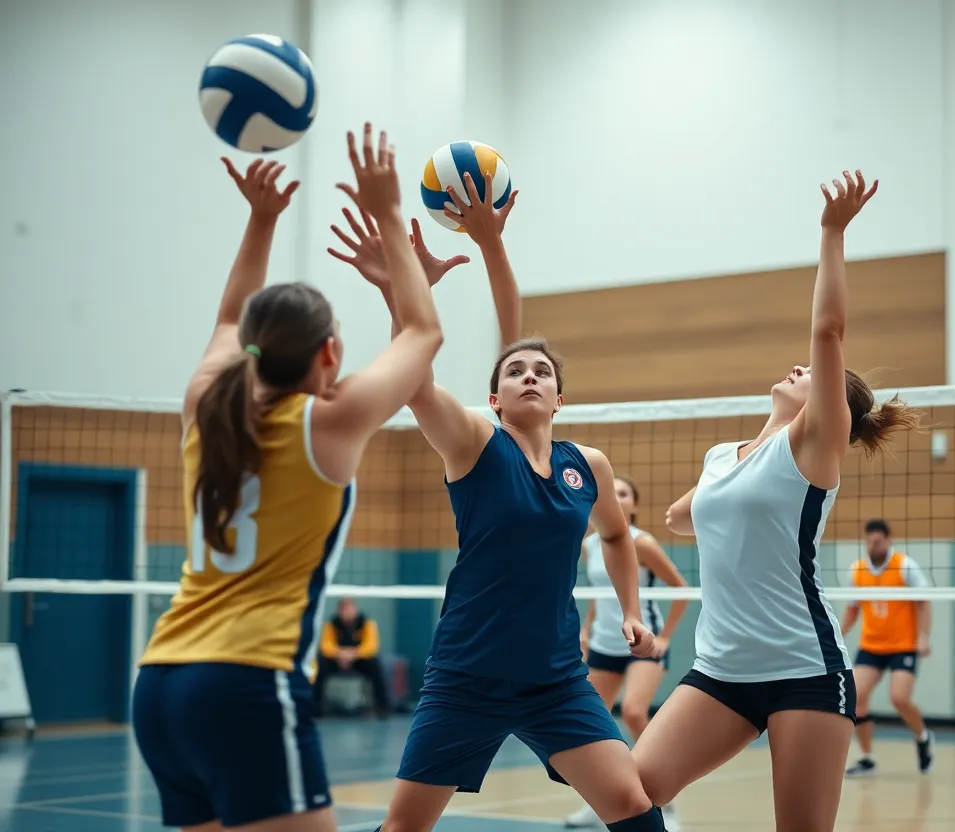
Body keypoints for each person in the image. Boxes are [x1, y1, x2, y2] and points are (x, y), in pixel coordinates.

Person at [130, 123, 445, 832]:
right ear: (331, 352)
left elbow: (225, 317)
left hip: (160, 682)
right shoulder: (326, 423)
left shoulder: (203, 404)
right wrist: (390, 213)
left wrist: (261, 219)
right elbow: (424, 335)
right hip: (247, 682)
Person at [330, 172, 666, 832]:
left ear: (559, 398)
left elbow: (620, 537)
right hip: (468, 675)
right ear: (495, 399)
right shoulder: (475, 445)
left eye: (543, 371)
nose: (529, 374)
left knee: (631, 805)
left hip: (556, 679)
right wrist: (408, 287)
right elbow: (417, 380)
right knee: (404, 828)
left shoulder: (586, 466)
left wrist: (631, 609)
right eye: (515, 371)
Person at [631, 171, 924, 832]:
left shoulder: (814, 451)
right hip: (720, 671)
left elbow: (827, 331)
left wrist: (831, 231)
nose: (800, 368)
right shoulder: (720, 458)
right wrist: (681, 518)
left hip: (803, 668)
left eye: (813, 377)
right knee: (634, 790)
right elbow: (682, 519)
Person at [566, 474, 690, 830]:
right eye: (611, 492)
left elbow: (681, 589)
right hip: (604, 645)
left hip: (643, 643)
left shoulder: (643, 543)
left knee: (635, 712)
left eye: (623, 493)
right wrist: (587, 628)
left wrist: (665, 636)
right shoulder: (589, 544)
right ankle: (599, 802)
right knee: (589, 725)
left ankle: (665, 804)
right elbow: (601, 592)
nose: (616, 498)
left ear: (634, 505)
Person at [840, 518, 934, 776]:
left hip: (903, 645)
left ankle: (923, 736)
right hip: (871, 645)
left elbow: (924, 602)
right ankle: (867, 758)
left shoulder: (904, 566)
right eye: (868, 541)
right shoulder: (857, 571)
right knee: (856, 698)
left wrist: (923, 637)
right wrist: (837, 634)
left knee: (899, 699)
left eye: (877, 541)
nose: (872, 545)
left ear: (888, 541)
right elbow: (852, 609)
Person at [315, 598, 392, 717]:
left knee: (375, 664)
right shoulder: (331, 624)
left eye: (349, 608)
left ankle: (383, 709)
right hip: (336, 660)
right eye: (344, 609)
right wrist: (340, 654)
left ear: (355, 609)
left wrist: (353, 654)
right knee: (319, 665)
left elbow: (371, 646)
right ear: (339, 611)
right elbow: (326, 646)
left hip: (359, 660)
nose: (347, 612)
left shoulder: (367, 623)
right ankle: (316, 709)